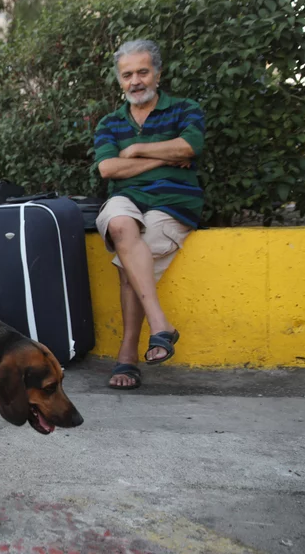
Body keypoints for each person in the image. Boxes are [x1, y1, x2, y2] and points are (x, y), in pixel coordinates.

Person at [92, 39, 205, 390]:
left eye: (143, 71)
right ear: (119, 80)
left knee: (130, 261)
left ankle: (127, 355)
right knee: (120, 223)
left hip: (172, 202)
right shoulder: (110, 123)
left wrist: (138, 149)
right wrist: (164, 156)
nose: (135, 81)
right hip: (125, 199)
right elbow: (109, 168)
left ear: (158, 72)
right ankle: (160, 326)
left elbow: (190, 146)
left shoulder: (185, 109)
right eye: (127, 75)